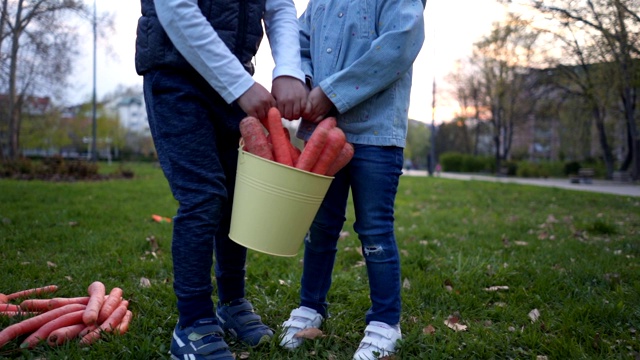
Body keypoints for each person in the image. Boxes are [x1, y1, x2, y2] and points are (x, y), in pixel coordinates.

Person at [134, 1, 307, 359]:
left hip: (235, 79)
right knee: (203, 195)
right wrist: (240, 84)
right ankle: (193, 323)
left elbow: (279, 7)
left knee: (235, 194)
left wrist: (288, 70)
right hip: (175, 72)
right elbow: (175, 8)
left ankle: (232, 303)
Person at [279, 0, 425, 359]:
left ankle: (385, 321)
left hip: (376, 133)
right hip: (323, 134)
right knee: (321, 225)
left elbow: (399, 45)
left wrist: (331, 93)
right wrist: (307, 83)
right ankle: (310, 306)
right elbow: (298, 44)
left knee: (375, 227)